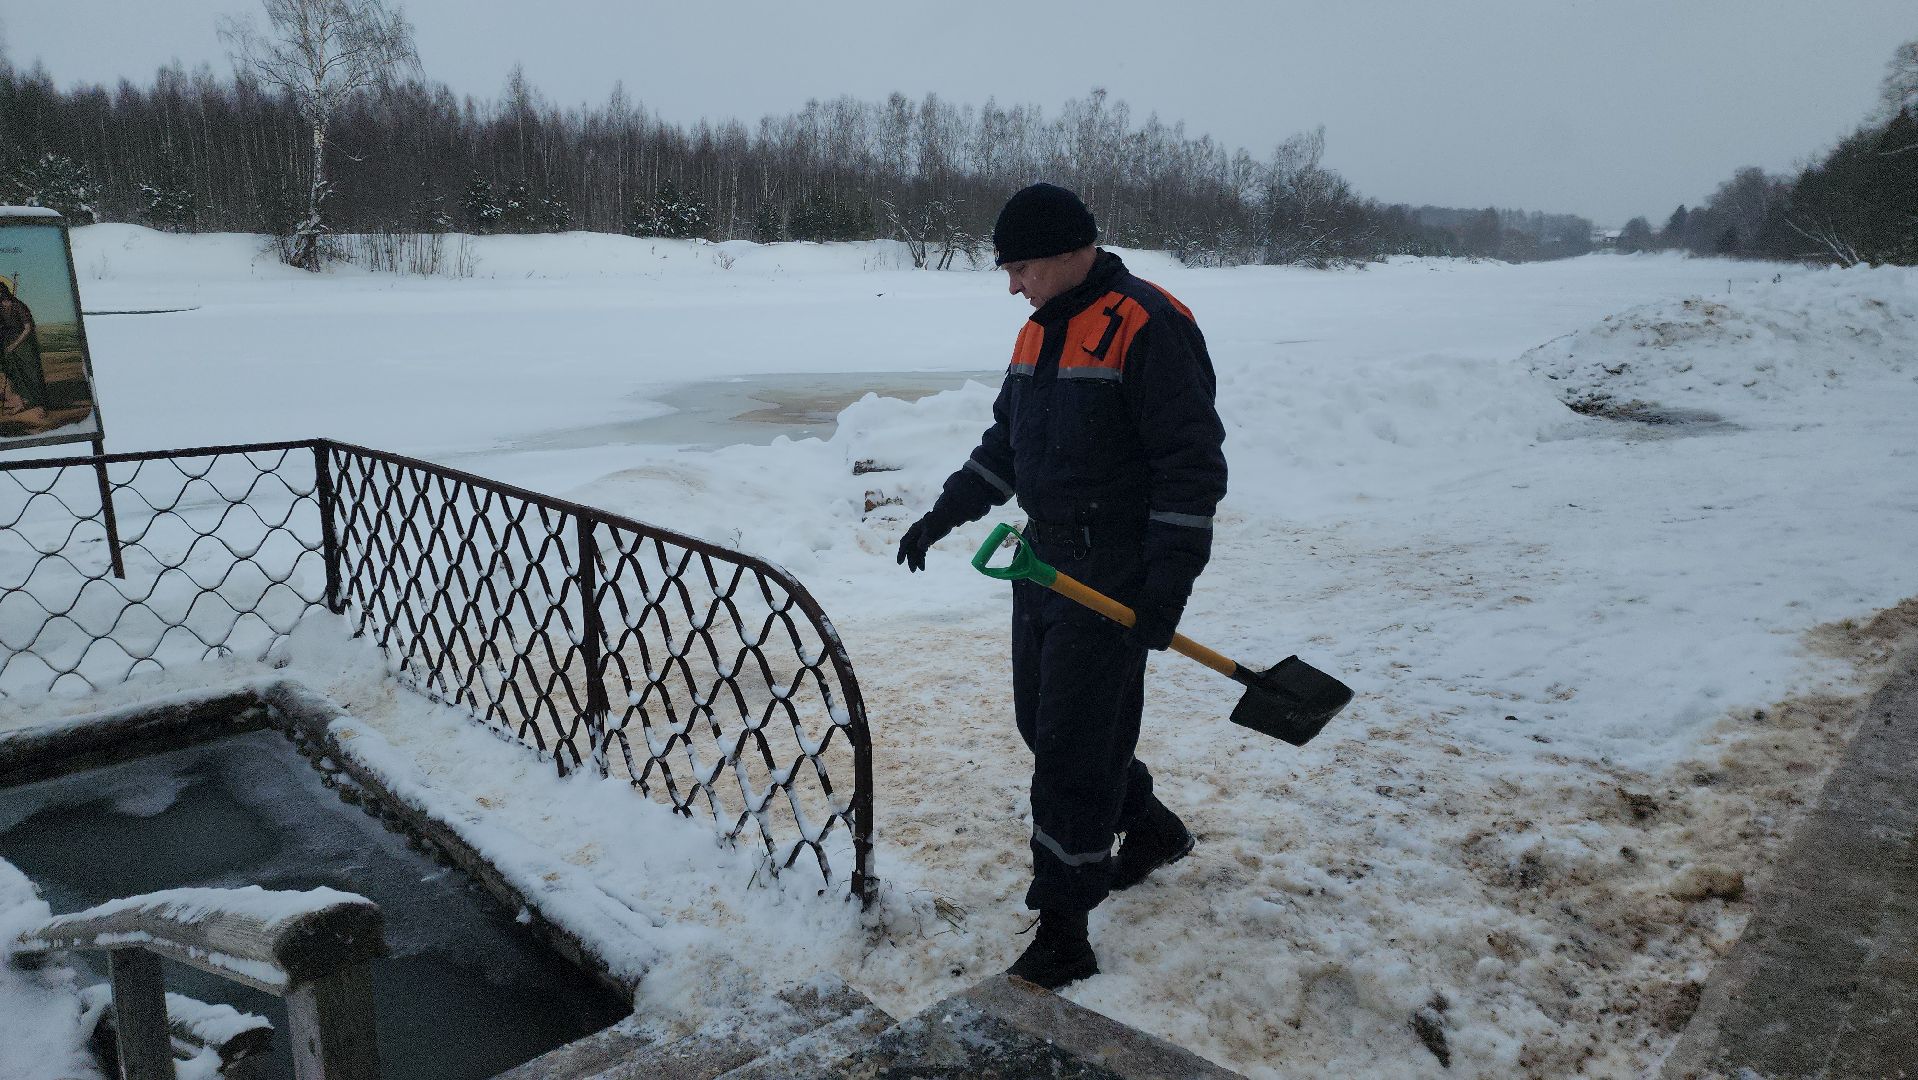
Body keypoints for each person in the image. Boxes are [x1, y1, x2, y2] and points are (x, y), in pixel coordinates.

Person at [896, 183, 1228, 989]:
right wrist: (944, 514)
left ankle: (1064, 930)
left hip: (1109, 575)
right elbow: (1008, 442)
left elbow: (1190, 467)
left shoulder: (1147, 324)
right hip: (1044, 565)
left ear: (1069, 251)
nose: (1012, 284)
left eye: (1019, 267)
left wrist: (1165, 587)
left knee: (1076, 750)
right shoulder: (1040, 330)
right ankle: (1148, 827)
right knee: (1046, 726)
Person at [0, 277, 50, 426]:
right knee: (14, 373)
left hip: (24, 344)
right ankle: (21, 402)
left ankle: (41, 405)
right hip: (7, 343)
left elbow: (28, 328)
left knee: (31, 374)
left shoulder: (18, 306)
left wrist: (14, 345)